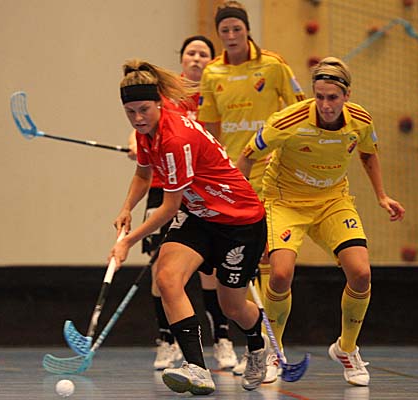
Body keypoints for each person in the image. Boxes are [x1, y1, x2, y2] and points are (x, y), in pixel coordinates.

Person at [236, 56, 406, 387]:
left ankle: (346, 349)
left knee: (361, 273)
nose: (326, 105)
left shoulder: (360, 120)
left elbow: (368, 153)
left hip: (332, 201)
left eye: (333, 98)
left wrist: (382, 196)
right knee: (280, 274)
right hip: (285, 202)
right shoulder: (287, 121)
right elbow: (247, 155)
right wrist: (242, 208)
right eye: (320, 97)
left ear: (347, 95)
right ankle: (273, 351)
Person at [111, 59, 269, 394]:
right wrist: (126, 208)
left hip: (239, 221)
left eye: (143, 110)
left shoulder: (175, 139)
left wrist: (127, 241)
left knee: (232, 307)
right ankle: (197, 368)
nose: (137, 119)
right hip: (199, 216)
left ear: (159, 103)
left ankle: (258, 345)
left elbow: (169, 208)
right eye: (130, 112)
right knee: (167, 277)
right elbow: (143, 173)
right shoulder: (146, 132)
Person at [197, 0, 306, 380]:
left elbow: (300, 110)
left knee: (268, 259)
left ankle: (271, 349)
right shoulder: (212, 72)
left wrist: (290, 150)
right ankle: (258, 346)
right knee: (242, 261)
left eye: (237, 29)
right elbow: (209, 129)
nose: (231, 36)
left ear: (247, 30)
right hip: (233, 178)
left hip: (273, 174)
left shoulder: (273, 65)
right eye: (224, 31)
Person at [126, 36, 238, 371]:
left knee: (209, 270)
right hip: (162, 186)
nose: (197, 58)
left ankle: (222, 338)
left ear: (211, 60)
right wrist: (133, 143)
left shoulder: (216, 94)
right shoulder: (160, 95)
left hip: (200, 189)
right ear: (182, 58)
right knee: (161, 268)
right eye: (191, 52)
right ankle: (167, 340)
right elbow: (139, 127)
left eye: (204, 53)